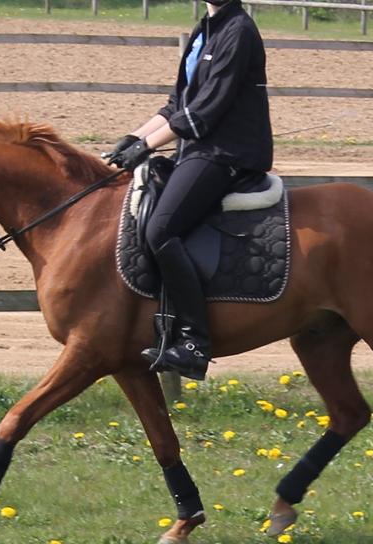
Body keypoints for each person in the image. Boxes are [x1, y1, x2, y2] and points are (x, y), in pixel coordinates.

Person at [109, 0, 273, 380]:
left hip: (227, 152)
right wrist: (133, 137)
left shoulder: (239, 32)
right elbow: (176, 106)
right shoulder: (206, 29)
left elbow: (204, 112)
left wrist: (147, 147)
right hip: (198, 148)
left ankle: (195, 340)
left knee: (161, 229)